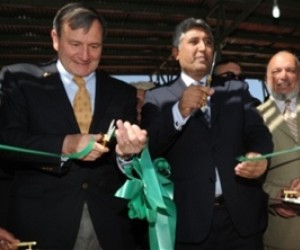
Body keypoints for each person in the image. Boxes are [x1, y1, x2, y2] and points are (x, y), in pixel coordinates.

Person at [0, 2, 147, 250]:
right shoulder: (20, 80)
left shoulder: (122, 92)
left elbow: (127, 166)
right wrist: (66, 145)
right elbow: (7, 141)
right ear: (55, 39)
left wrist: (128, 155)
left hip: (110, 225)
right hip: (42, 223)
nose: (85, 56)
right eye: (76, 44)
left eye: (94, 46)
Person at [141, 17, 273, 250]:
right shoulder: (158, 98)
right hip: (189, 222)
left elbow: (257, 132)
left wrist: (260, 156)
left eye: (208, 42)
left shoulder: (235, 89)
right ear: (176, 53)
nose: (203, 47)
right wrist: (179, 112)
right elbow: (150, 148)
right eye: (194, 41)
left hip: (241, 221)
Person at [257, 50, 300, 250]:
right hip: (282, 238)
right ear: (266, 79)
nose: (283, 76)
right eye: (276, 71)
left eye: (290, 70)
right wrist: (283, 197)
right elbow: (243, 178)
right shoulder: (253, 118)